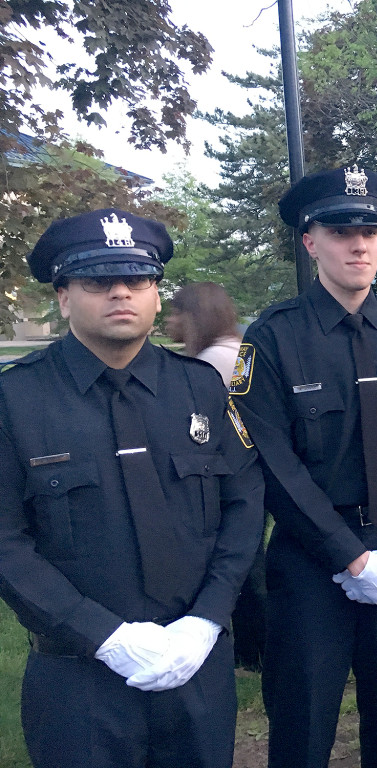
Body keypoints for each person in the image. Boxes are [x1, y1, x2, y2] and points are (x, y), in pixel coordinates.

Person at [0, 208, 265, 768]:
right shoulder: (16, 402)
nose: (121, 293)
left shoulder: (199, 389)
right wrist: (103, 636)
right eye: (98, 280)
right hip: (80, 677)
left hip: (196, 665)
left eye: (137, 279)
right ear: (65, 296)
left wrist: (208, 618)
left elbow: (243, 506)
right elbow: (6, 543)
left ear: (157, 294)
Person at [229, 166, 377, 768]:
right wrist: (349, 556)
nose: (359, 244)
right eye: (340, 230)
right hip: (312, 565)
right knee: (303, 726)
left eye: (371, 231)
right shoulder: (274, 339)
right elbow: (271, 459)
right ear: (310, 242)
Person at [166, 281, 267, 671]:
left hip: (228, 479)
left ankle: (254, 650)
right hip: (254, 475)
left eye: (177, 313)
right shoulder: (237, 351)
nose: (170, 321)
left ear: (195, 317)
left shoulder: (209, 364)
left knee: (244, 565)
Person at [166, 282, 242, 387]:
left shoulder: (214, 358)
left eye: (176, 313)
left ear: (194, 318)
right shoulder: (231, 348)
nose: (169, 319)